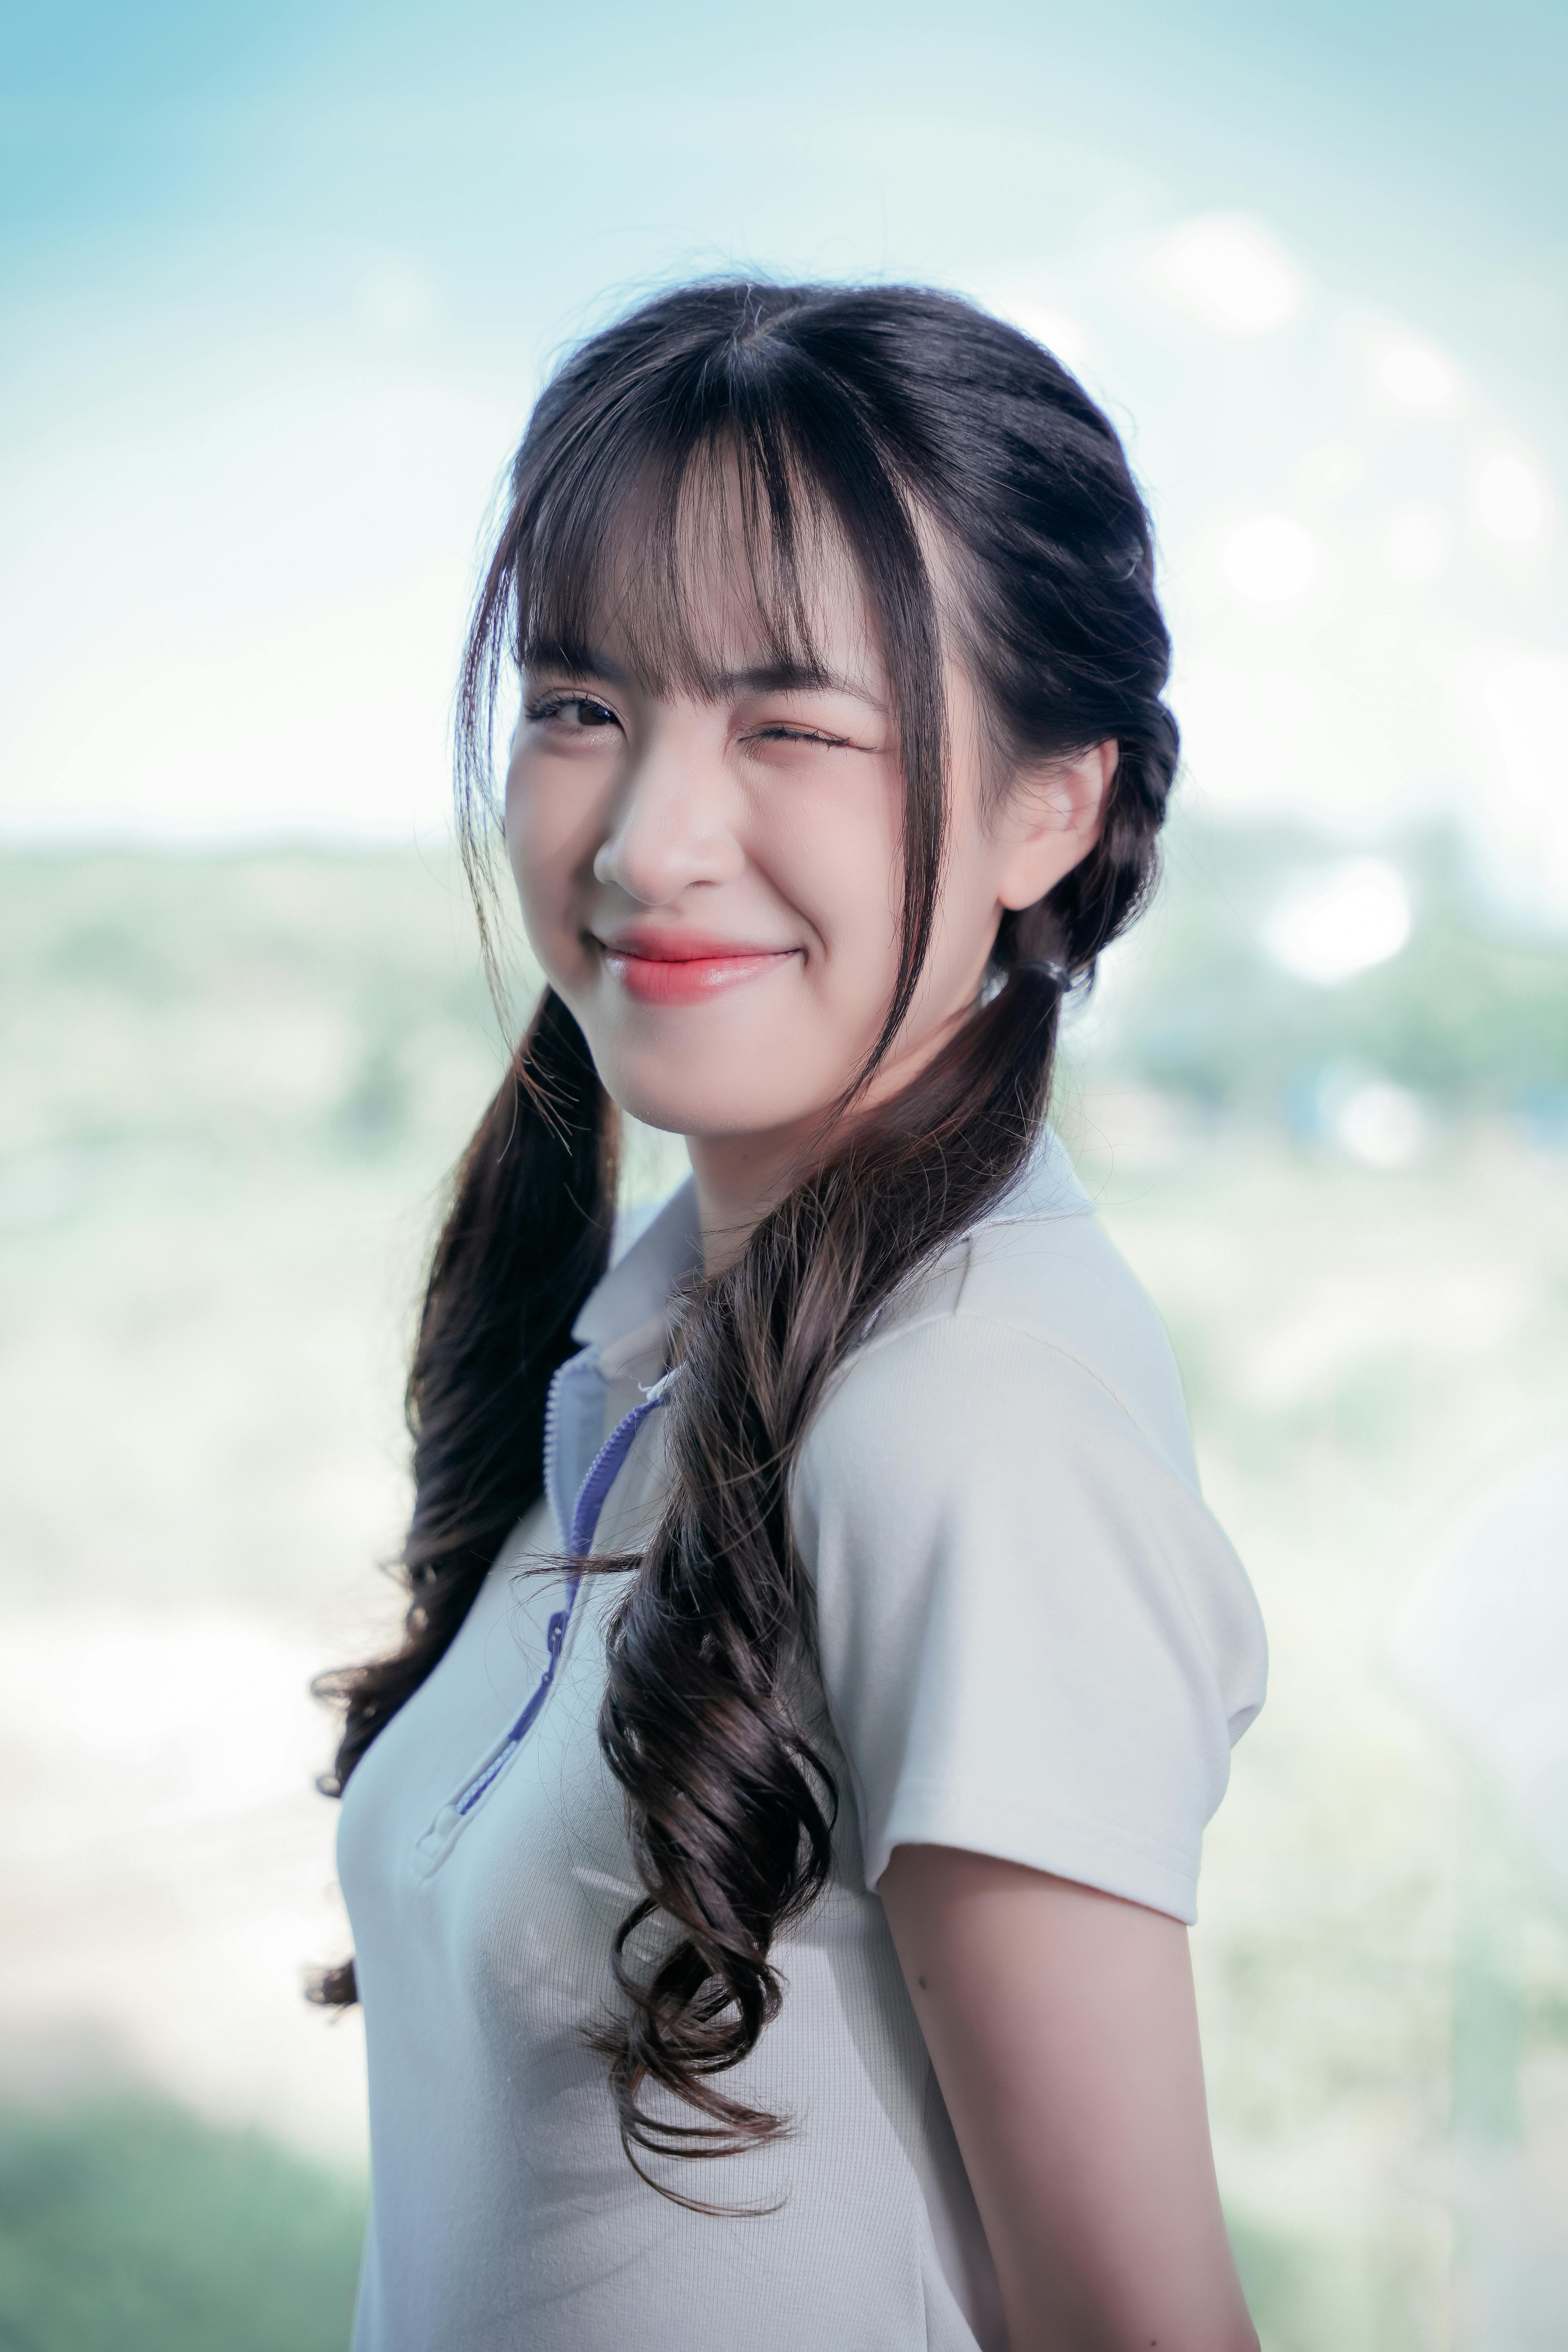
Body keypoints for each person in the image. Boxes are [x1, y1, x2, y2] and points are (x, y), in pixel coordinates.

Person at [316, 279, 1268, 2352]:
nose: (651, 841)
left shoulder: (967, 1411)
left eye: (791, 725)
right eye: (580, 706)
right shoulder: (670, 1349)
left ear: (1053, 804)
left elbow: (1130, 2321)